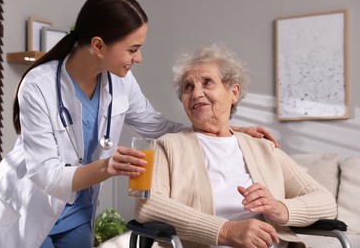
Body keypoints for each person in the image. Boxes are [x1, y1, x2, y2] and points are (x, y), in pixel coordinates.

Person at [0, 0, 277, 248]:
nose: (139, 58)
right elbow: (46, 175)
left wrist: (224, 130)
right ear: (99, 46)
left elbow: (157, 126)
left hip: (77, 212)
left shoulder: (120, 82)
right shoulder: (38, 85)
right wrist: (108, 167)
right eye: (133, 49)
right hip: (27, 207)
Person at [135, 43, 337, 248]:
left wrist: (280, 208)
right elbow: (147, 205)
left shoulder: (263, 148)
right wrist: (225, 230)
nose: (196, 93)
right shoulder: (167, 147)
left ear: (234, 93)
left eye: (207, 83)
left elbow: (326, 201)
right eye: (188, 87)